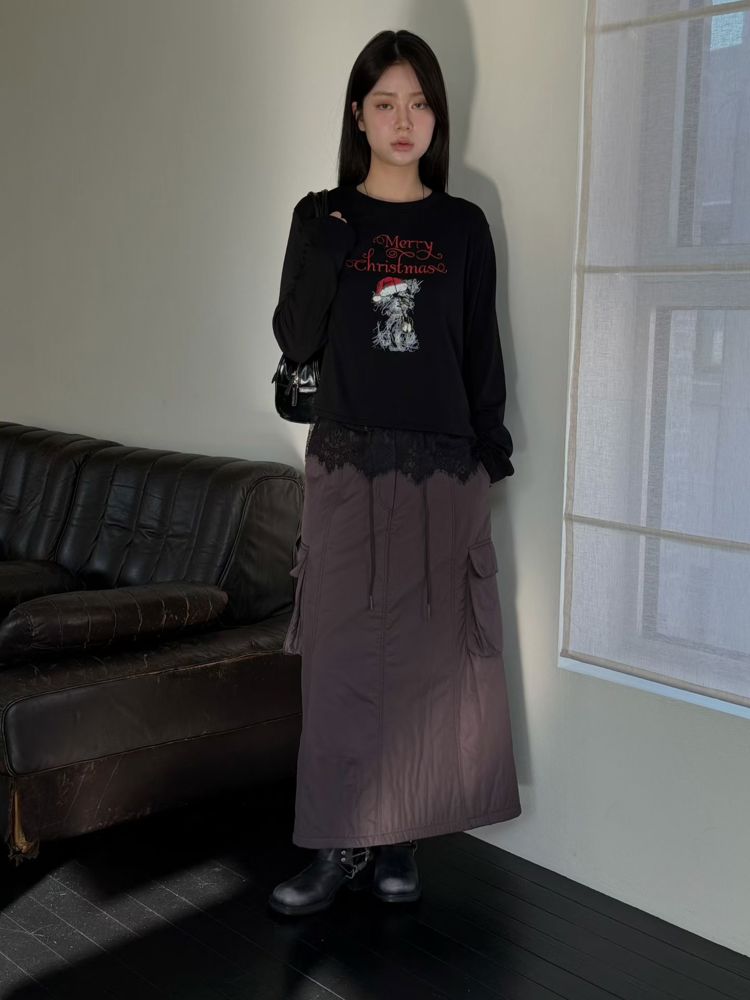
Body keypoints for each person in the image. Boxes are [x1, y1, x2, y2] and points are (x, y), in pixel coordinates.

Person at [268, 28, 521, 917]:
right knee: (338, 660)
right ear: (358, 115)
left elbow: (480, 348)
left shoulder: (462, 227)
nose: (403, 120)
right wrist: (333, 247)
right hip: (345, 463)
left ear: (437, 116)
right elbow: (295, 334)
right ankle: (336, 843)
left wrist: (487, 456)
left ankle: (399, 841)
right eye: (385, 103)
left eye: (419, 104)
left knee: (423, 663)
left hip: (439, 468)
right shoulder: (321, 217)